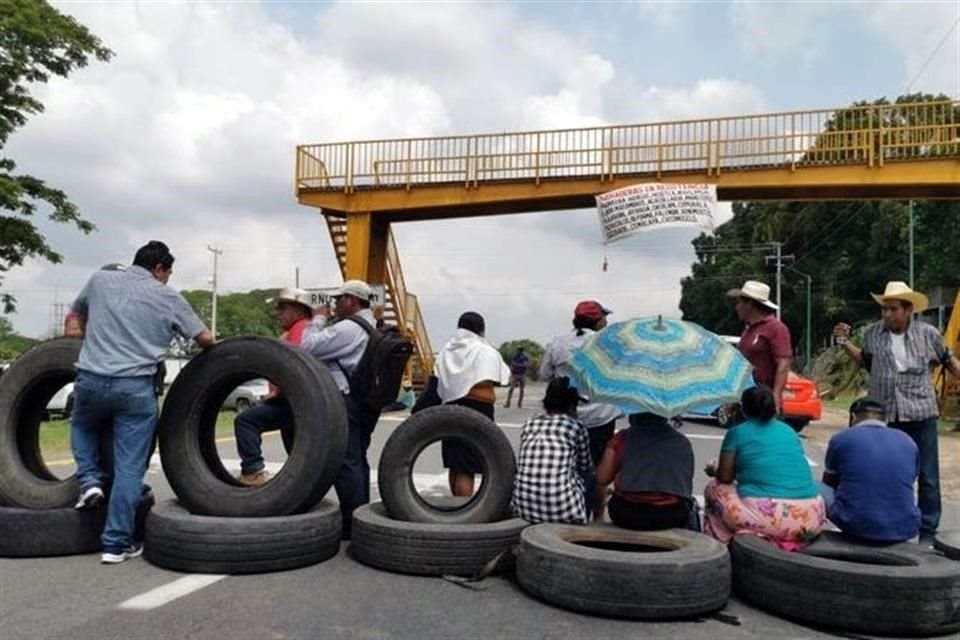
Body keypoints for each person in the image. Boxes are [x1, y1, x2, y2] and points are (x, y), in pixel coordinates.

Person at [66, 241, 214, 564]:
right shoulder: (168, 296)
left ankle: (89, 480)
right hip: (134, 388)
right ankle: (116, 545)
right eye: (167, 274)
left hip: (90, 378)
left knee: (82, 424)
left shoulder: (100, 280)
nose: (167, 280)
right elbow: (205, 339)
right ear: (159, 268)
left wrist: (84, 337)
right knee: (129, 469)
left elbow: (76, 312)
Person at [833, 282, 960, 544]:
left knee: (928, 476)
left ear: (908, 309)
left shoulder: (928, 333)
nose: (887, 315)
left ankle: (927, 532)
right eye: (884, 309)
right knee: (883, 469)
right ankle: (884, 525)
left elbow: (948, 360)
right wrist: (844, 343)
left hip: (921, 411)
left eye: (893, 309)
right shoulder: (872, 334)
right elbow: (866, 362)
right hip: (885, 414)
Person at [300, 279, 381, 539]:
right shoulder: (373, 324)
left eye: (339, 299)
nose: (334, 304)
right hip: (367, 401)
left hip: (348, 400)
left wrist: (318, 319)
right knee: (358, 459)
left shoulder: (349, 328)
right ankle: (362, 516)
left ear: (353, 301)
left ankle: (352, 523)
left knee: (347, 462)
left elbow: (307, 348)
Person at [703, 386, 825, 550]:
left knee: (713, 488)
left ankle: (723, 542)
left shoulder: (737, 432)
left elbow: (725, 477)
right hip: (811, 518)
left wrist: (714, 470)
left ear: (744, 410)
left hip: (771, 519)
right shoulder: (789, 431)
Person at [233, 288, 313, 487]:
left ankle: (252, 472)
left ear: (299, 309)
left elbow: (294, 366)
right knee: (296, 452)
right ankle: (303, 487)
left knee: (246, 421)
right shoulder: (296, 330)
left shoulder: (302, 329)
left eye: (282, 308)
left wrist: (278, 392)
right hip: (294, 400)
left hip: (293, 400)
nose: (277, 314)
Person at [820, 398, 920, 543]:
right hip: (906, 527)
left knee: (814, 486)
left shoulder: (841, 438)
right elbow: (910, 479)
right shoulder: (908, 441)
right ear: (885, 419)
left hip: (854, 525)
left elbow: (829, 482)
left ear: (853, 417)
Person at [434, 312, 510, 497]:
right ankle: (466, 511)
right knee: (467, 468)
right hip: (478, 410)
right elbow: (503, 378)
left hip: (450, 409)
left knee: (455, 463)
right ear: (481, 330)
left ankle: (457, 506)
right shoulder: (485, 350)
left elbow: (437, 378)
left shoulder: (446, 351)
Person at [540, 300, 622, 465]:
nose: (606, 321)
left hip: (567, 416)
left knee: (566, 463)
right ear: (598, 321)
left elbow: (544, 374)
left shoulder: (558, 343)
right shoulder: (609, 344)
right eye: (604, 317)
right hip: (600, 418)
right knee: (597, 465)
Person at [595, 412, 698, 531]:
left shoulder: (623, 438)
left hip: (626, 513)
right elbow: (685, 486)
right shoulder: (682, 442)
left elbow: (602, 478)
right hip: (671, 515)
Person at [512, 377, 594, 524]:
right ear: (571, 405)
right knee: (591, 476)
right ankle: (583, 522)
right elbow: (585, 467)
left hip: (523, 507)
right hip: (564, 510)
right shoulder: (576, 426)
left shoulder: (529, 423)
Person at [727, 281, 792, 413]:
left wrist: (775, 397)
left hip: (763, 403)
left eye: (739, 303)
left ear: (750, 304)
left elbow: (783, 364)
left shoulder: (776, 328)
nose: (737, 307)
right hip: (745, 401)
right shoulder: (748, 330)